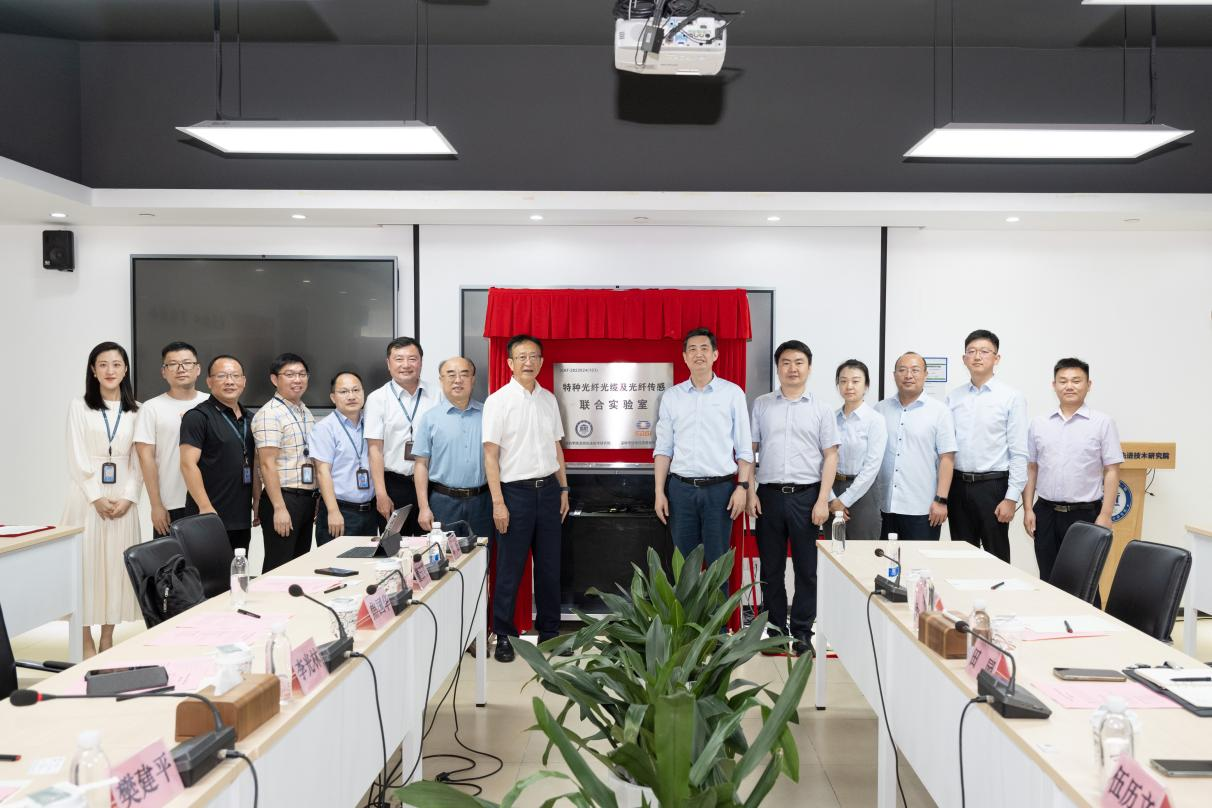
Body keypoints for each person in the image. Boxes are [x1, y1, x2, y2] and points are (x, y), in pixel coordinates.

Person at [747, 340, 838, 657]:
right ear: (778, 368)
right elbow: (750, 451)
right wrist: (750, 491)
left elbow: (831, 456)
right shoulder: (762, 405)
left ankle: (801, 632)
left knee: (806, 569)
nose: (792, 368)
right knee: (770, 568)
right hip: (768, 496)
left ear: (809, 368)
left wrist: (823, 500)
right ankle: (774, 632)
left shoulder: (822, 409)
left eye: (799, 362)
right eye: (786, 362)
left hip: (807, 496)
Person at [482, 335, 570, 663]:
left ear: (541, 362)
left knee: (549, 566)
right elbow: (490, 456)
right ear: (510, 363)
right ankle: (504, 635)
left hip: (548, 492)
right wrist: (498, 502)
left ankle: (550, 633)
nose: (528, 362)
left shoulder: (549, 400)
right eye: (521, 357)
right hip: (514, 494)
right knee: (509, 568)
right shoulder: (498, 401)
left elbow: (556, 448)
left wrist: (564, 489)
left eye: (533, 356)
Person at [63, 341, 143, 657]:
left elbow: (141, 460)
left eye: (116, 364)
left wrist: (129, 497)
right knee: (85, 567)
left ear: (125, 370)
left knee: (115, 567)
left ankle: (108, 637)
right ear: (93, 371)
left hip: (123, 498)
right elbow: (76, 455)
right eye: (103, 364)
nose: (110, 370)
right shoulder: (79, 406)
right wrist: (96, 496)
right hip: (86, 498)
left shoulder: (137, 410)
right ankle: (84, 638)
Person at [653, 328, 753, 568]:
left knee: (717, 566)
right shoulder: (672, 397)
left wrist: (742, 487)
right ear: (685, 357)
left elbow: (744, 448)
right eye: (692, 349)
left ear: (715, 355)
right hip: (681, 491)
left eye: (704, 348)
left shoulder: (732, 394)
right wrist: (659, 492)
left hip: (720, 492)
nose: (698, 354)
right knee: (684, 567)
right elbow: (663, 449)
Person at [1023, 358, 1123, 581]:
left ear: (1089, 385)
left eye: (1076, 381)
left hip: (1085, 515)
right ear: (1054, 385)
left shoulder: (1103, 422)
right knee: (1048, 579)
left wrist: (1106, 515)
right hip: (1045, 513)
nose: (1069, 386)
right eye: (1063, 381)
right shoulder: (1039, 423)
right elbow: (1031, 467)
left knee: (1084, 581)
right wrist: (1028, 509)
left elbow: (1112, 470)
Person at [944, 330, 1028, 563]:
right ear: (964, 359)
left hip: (993, 487)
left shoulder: (1011, 397)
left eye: (984, 351)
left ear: (996, 358)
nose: (977, 356)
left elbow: (1019, 453)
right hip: (958, 486)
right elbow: (945, 449)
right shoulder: (953, 398)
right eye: (971, 351)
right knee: (961, 558)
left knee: (996, 558)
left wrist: (1011, 498)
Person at [180, 355, 260, 555]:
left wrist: (257, 501)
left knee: (238, 570)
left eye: (235, 376)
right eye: (222, 376)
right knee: (207, 573)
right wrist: (205, 507)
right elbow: (188, 465)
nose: (229, 381)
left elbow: (256, 465)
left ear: (244, 381)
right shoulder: (197, 417)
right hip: (207, 516)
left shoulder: (251, 419)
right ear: (209, 381)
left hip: (240, 518)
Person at [875, 352, 957, 540]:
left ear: (925, 375)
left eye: (915, 370)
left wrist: (941, 500)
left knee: (920, 560)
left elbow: (947, 458)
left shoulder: (940, 411)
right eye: (902, 370)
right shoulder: (880, 410)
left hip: (922, 509)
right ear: (894, 375)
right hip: (884, 506)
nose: (908, 375)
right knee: (884, 557)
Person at [365, 337, 439, 536]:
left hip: (431, 485)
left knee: (430, 545)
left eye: (412, 359)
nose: (406, 365)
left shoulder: (437, 395)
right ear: (388, 363)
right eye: (399, 359)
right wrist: (381, 493)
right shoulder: (377, 399)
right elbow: (374, 450)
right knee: (395, 547)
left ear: (421, 362)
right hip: (394, 485)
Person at [133, 341, 207, 538]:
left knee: (212, 557)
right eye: (173, 364)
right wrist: (156, 505)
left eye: (187, 363)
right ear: (163, 372)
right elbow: (146, 459)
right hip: (170, 504)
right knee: (172, 558)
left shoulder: (210, 403)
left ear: (198, 369)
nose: (181, 369)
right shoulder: (151, 408)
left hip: (208, 501)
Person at [414, 356, 492, 540]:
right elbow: (421, 464)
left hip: (482, 501)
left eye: (464, 374)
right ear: (441, 380)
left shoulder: (489, 414)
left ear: (473, 379)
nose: (458, 380)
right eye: (451, 375)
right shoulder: (430, 418)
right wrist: (423, 507)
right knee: (445, 554)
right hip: (443, 502)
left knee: (482, 552)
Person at [253, 353, 318, 571]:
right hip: (283, 499)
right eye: (289, 374)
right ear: (274, 379)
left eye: (302, 374)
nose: (297, 379)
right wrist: (279, 508)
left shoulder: (304, 411)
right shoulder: (270, 414)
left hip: (305, 499)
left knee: (298, 567)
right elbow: (266, 464)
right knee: (278, 567)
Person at [311, 371, 378, 543]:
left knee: (368, 559)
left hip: (370, 512)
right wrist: (333, 511)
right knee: (335, 561)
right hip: (340, 512)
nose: (351, 396)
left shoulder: (372, 423)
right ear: (333, 397)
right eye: (344, 391)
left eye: (356, 390)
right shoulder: (325, 428)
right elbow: (322, 472)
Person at [829, 359, 886, 541]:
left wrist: (843, 501)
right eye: (843, 381)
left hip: (864, 492)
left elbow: (871, 467)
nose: (849, 386)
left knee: (862, 551)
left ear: (866, 385)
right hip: (831, 489)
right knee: (833, 550)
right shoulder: (831, 419)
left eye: (855, 381)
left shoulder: (875, 420)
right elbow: (822, 461)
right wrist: (831, 499)